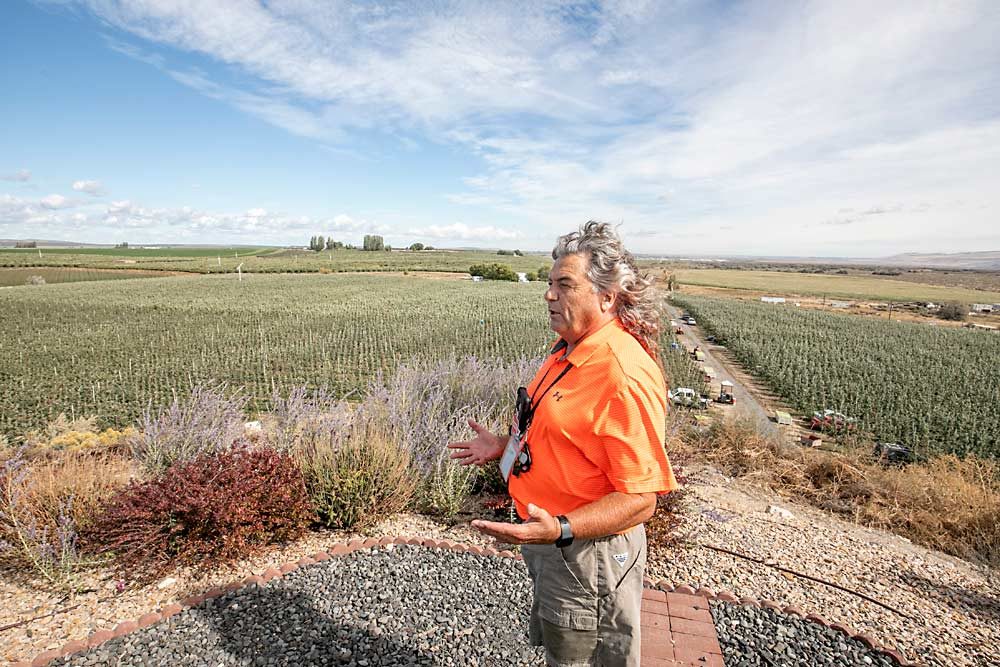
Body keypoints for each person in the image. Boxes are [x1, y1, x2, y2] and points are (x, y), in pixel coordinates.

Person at [448, 221, 678, 667]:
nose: (549, 295)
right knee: (563, 648)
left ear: (606, 297)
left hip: (587, 555)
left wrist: (560, 529)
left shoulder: (620, 374)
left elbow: (639, 500)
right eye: (549, 284)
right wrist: (503, 446)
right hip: (558, 544)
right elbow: (566, 432)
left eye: (564, 285)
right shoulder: (569, 349)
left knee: (582, 659)